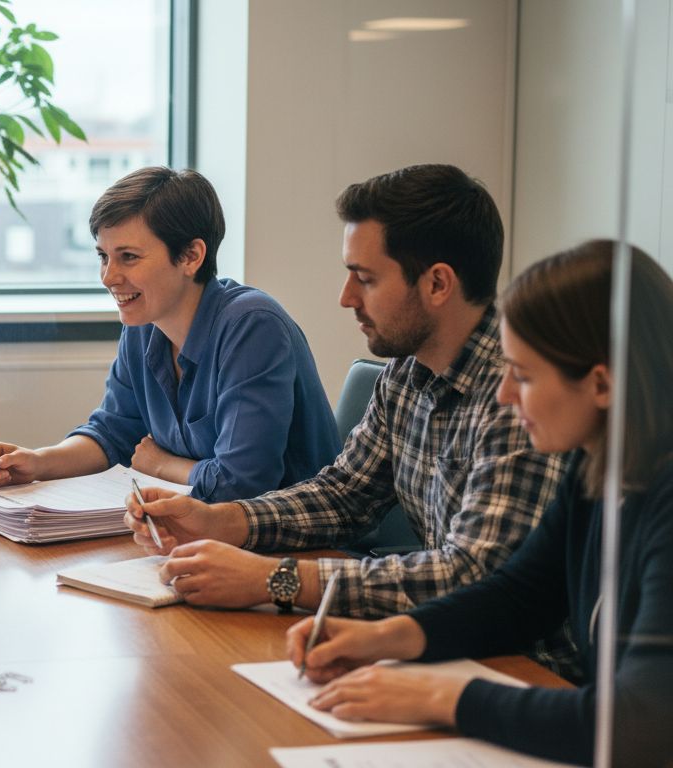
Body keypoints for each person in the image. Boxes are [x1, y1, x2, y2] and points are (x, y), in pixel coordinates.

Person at [287, 241, 673, 766]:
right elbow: (519, 596)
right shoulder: (598, 468)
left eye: (524, 376)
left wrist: (439, 697)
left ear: (600, 384)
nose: (506, 394)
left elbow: (640, 723)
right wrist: (384, 638)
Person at [125, 164, 567, 622]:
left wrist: (274, 578)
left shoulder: (519, 396)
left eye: (366, 278)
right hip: (444, 635)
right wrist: (219, 521)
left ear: (437, 284)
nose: (346, 297)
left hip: (523, 654)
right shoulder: (406, 373)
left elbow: (472, 576)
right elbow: (345, 495)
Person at [0, 166, 340, 503]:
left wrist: (161, 464)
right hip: (201, 532)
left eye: (129, 257)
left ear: (191, 256)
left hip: (287, 540)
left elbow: (241, 484)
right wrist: (38, 462)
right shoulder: (144, 324)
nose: (108, 277)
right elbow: (113, 434)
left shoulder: (252, 327)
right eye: (103, 256)